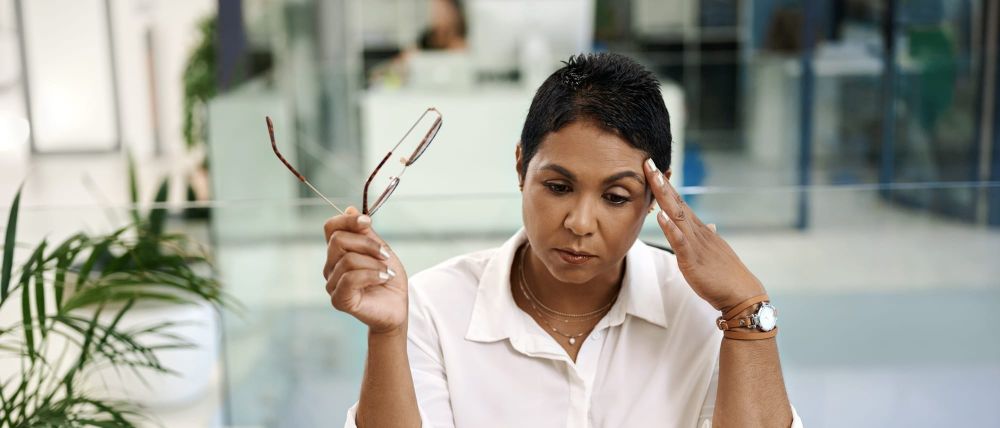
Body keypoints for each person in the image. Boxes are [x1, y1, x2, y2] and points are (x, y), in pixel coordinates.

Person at [323, 53, 803, 427]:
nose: (579, 222)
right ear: (520, 167)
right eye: (558, 187)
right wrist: (387, 334)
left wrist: (746, 310)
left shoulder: (701, 312)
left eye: (616, 196)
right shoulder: (431, 308)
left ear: (659, 194)